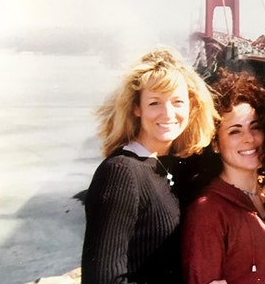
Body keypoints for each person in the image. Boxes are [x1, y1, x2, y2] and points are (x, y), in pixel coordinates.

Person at [81, 47, 217, 284]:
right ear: (137, 108)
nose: (168, 113)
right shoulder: (121, 172)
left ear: (191, 106)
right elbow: (103, 280)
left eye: (177, 102)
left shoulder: (168, 165)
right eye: (155, 103)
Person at [181, 69, 265, 284]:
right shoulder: (208, 212)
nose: (249, 139)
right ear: (216, 144)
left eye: (255, 127)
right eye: (235, 131)